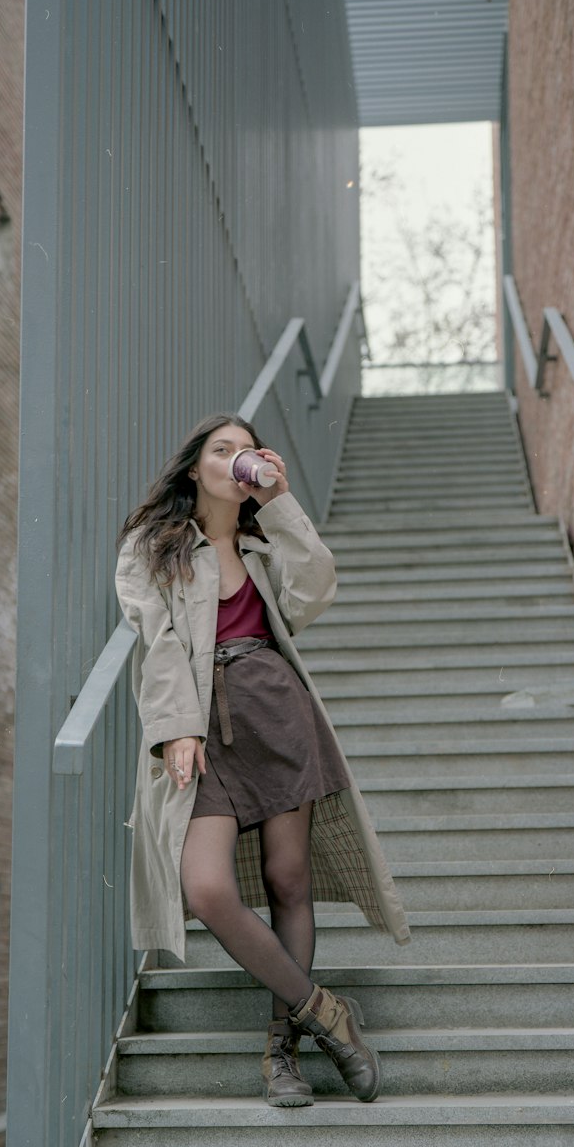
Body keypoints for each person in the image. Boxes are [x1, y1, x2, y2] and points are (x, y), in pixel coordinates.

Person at [115, 412, 410, 1108]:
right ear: (195, 466)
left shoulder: (264, 542)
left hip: (276, 710)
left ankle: (284, 1049)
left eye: (247, 451)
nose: (237, 460)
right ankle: (326, 1012)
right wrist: (176, 728)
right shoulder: (151, 547)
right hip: (202, 729)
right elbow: (156, 643)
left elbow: (315, 590)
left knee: (288, 878)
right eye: (223, 451)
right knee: (208, 887)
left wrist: (277, 501)